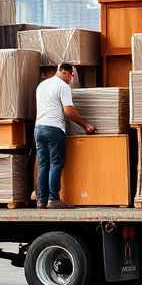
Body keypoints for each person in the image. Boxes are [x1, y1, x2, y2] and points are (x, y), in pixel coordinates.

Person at [34, 63, 96, 209]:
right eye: (71, 75)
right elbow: (68, 111)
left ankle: (41, 201)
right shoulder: (63, 86)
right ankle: (53, 199)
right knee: (56, 164)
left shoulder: (42, 85)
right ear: (64, 72)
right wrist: (86, 124)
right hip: (54, 129)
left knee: (43, 165)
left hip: (39, 129)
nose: (71, 79)